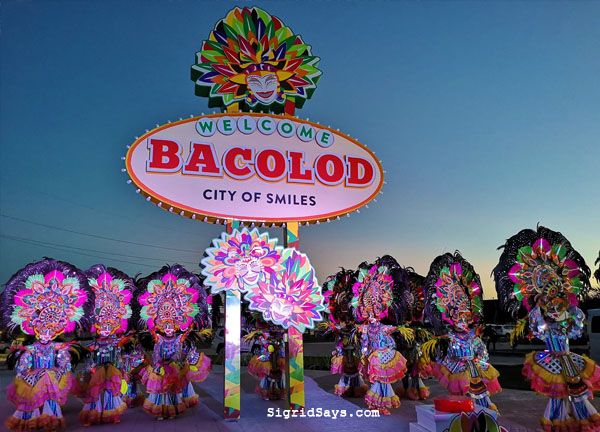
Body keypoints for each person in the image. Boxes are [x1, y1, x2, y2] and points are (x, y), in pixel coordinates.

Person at [494, 226, 600, 431]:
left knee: (577, 390)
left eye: (555, 287)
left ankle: (582, 419)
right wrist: (540, 312)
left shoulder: (567, 312)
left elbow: (577, 329)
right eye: (546, 290)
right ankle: (556, 422)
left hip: (569, 358)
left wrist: (567, 315)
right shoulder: (540, 315)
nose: (552, 296)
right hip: (553, 359)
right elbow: (539, 329)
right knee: (558, 393)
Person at [0, 258, 91, 431]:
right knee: (32, 399)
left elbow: (65, 364)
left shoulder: (57, 348)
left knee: (50, 397)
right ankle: (32, 419)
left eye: (50, 330)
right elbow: (23, 366)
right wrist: (28, 372)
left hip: (52, 378)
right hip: (34, 379)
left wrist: (60, 368)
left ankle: (51, 419)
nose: (46, 334)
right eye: (42, 330)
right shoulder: (31, 349)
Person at [423, 252, 501, 411]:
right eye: (459, 317)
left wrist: (480, 361)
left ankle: (482, 412)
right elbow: (444, 355)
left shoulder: (474, 336)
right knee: (462, 398)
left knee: (481, 394)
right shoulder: (449, 337)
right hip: (458, 370)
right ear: (451, 318)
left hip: (475, 368)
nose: (463, 321)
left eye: (466, 317)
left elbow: (483, 351)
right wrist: (449, 360)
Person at [136, 265, 212, 420]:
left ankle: (173, 410)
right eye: (166, 325)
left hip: (175, 369)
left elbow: (184, 345)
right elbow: (157, 353)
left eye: (171, 325)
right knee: (160, 391)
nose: (169, 328)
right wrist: (157, 366)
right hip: (161, 369)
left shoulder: (180, 338)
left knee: (173, 391)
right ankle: (161, 411)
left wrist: (188, 359)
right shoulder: (159, 338)